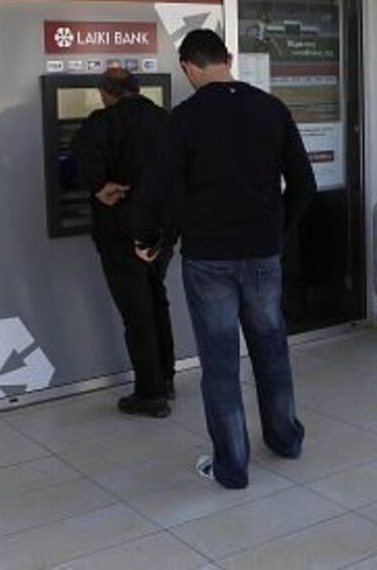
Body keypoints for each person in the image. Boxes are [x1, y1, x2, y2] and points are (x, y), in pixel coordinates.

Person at [132, 29, 316, 489]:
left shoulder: (185, 118)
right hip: (262, 254)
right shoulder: (271, 109)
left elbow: (157, 186)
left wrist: (145, 237)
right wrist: (275, 231)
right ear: (228, 58)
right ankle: (285, 439)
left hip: (208, 258)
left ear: (188, 68)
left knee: (220, 364)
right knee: (271, 349)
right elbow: (304, 184)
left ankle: (232, 466)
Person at [72, 67, 177, 418]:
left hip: (120, 230)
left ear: (106, 92)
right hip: (159, 232)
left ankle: (150, 394)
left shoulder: (102, 122)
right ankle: (166, 379)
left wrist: (100, 187)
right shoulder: (165, 121)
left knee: (137, 312)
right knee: (157, 301)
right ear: (137, 88)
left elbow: (80, 157)